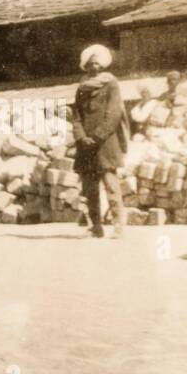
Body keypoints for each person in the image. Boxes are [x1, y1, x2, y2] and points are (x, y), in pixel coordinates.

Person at [70, 44, 129, 239]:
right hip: (86, 144)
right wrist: (81, 137)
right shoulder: (81, 88)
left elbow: (114, 113)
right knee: (89, 188)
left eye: (96, 63)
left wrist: (96, 137)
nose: (93, 67)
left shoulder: (111, 83)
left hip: (105, 143)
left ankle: (118, 225)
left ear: (103, 65)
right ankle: (96, 226)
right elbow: (76, 115)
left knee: (111, 185)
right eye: (89, 63)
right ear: (85, 66)